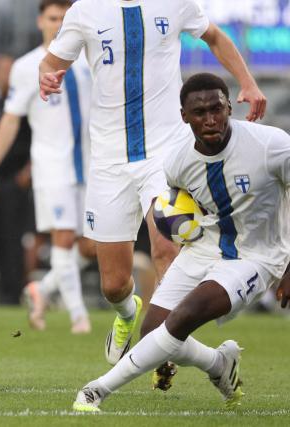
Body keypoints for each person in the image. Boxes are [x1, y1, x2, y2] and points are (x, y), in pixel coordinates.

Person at [39, 0, 267, 362]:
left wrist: (248, 83)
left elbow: (214, 36)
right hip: (109, 159)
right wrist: (47, 76)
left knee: (167, 248)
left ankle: (163, 345)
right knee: (113, 284)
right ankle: (128, 314)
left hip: (165, 153)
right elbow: (52, 62)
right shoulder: (84, 10)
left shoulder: (174, 2)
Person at [72, 73, 290, 411]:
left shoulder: (270, 146)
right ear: (184, 116)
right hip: (204, 246)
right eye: (199, 112)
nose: (211, 119)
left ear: (229, 106)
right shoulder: (176, 163)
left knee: (183, 318)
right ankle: (218, 364)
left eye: (217, 109)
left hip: (256, 256)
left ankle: (97, 390)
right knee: (154, 333)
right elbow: (182, 207)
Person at [0, 0, 95, 334]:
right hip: (52, 163)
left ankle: (40, 290)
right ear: (40, 21)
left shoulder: (89, 58)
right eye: (53, 18)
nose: (58, 24)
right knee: (62, 236)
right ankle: (78, 317)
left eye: (64, 18)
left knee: (93, 244)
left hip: (91, 164)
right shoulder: (28, 66)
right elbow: (11, 119)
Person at [0, 53, 34, 305]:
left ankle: (14, 291)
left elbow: (37, 140)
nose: (4, 75)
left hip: (16, 180)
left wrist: (29, 170)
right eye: (0, 70)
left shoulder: (24, 105)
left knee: (15, 237)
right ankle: (2, 289)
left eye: (8, 70)